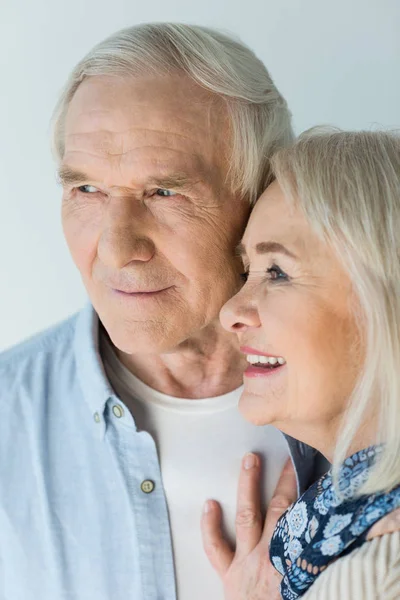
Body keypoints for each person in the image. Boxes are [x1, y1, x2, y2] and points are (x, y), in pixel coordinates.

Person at [0, 23, 324, 600]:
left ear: (263, 196)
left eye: (164, 192)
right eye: (86, 191)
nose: (117, 248)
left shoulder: (376, 398)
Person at [201, 129, 400, 599]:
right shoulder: (339, 542)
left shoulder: (373, 575)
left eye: (277, 272)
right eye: (246, 271)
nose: (231, 311)